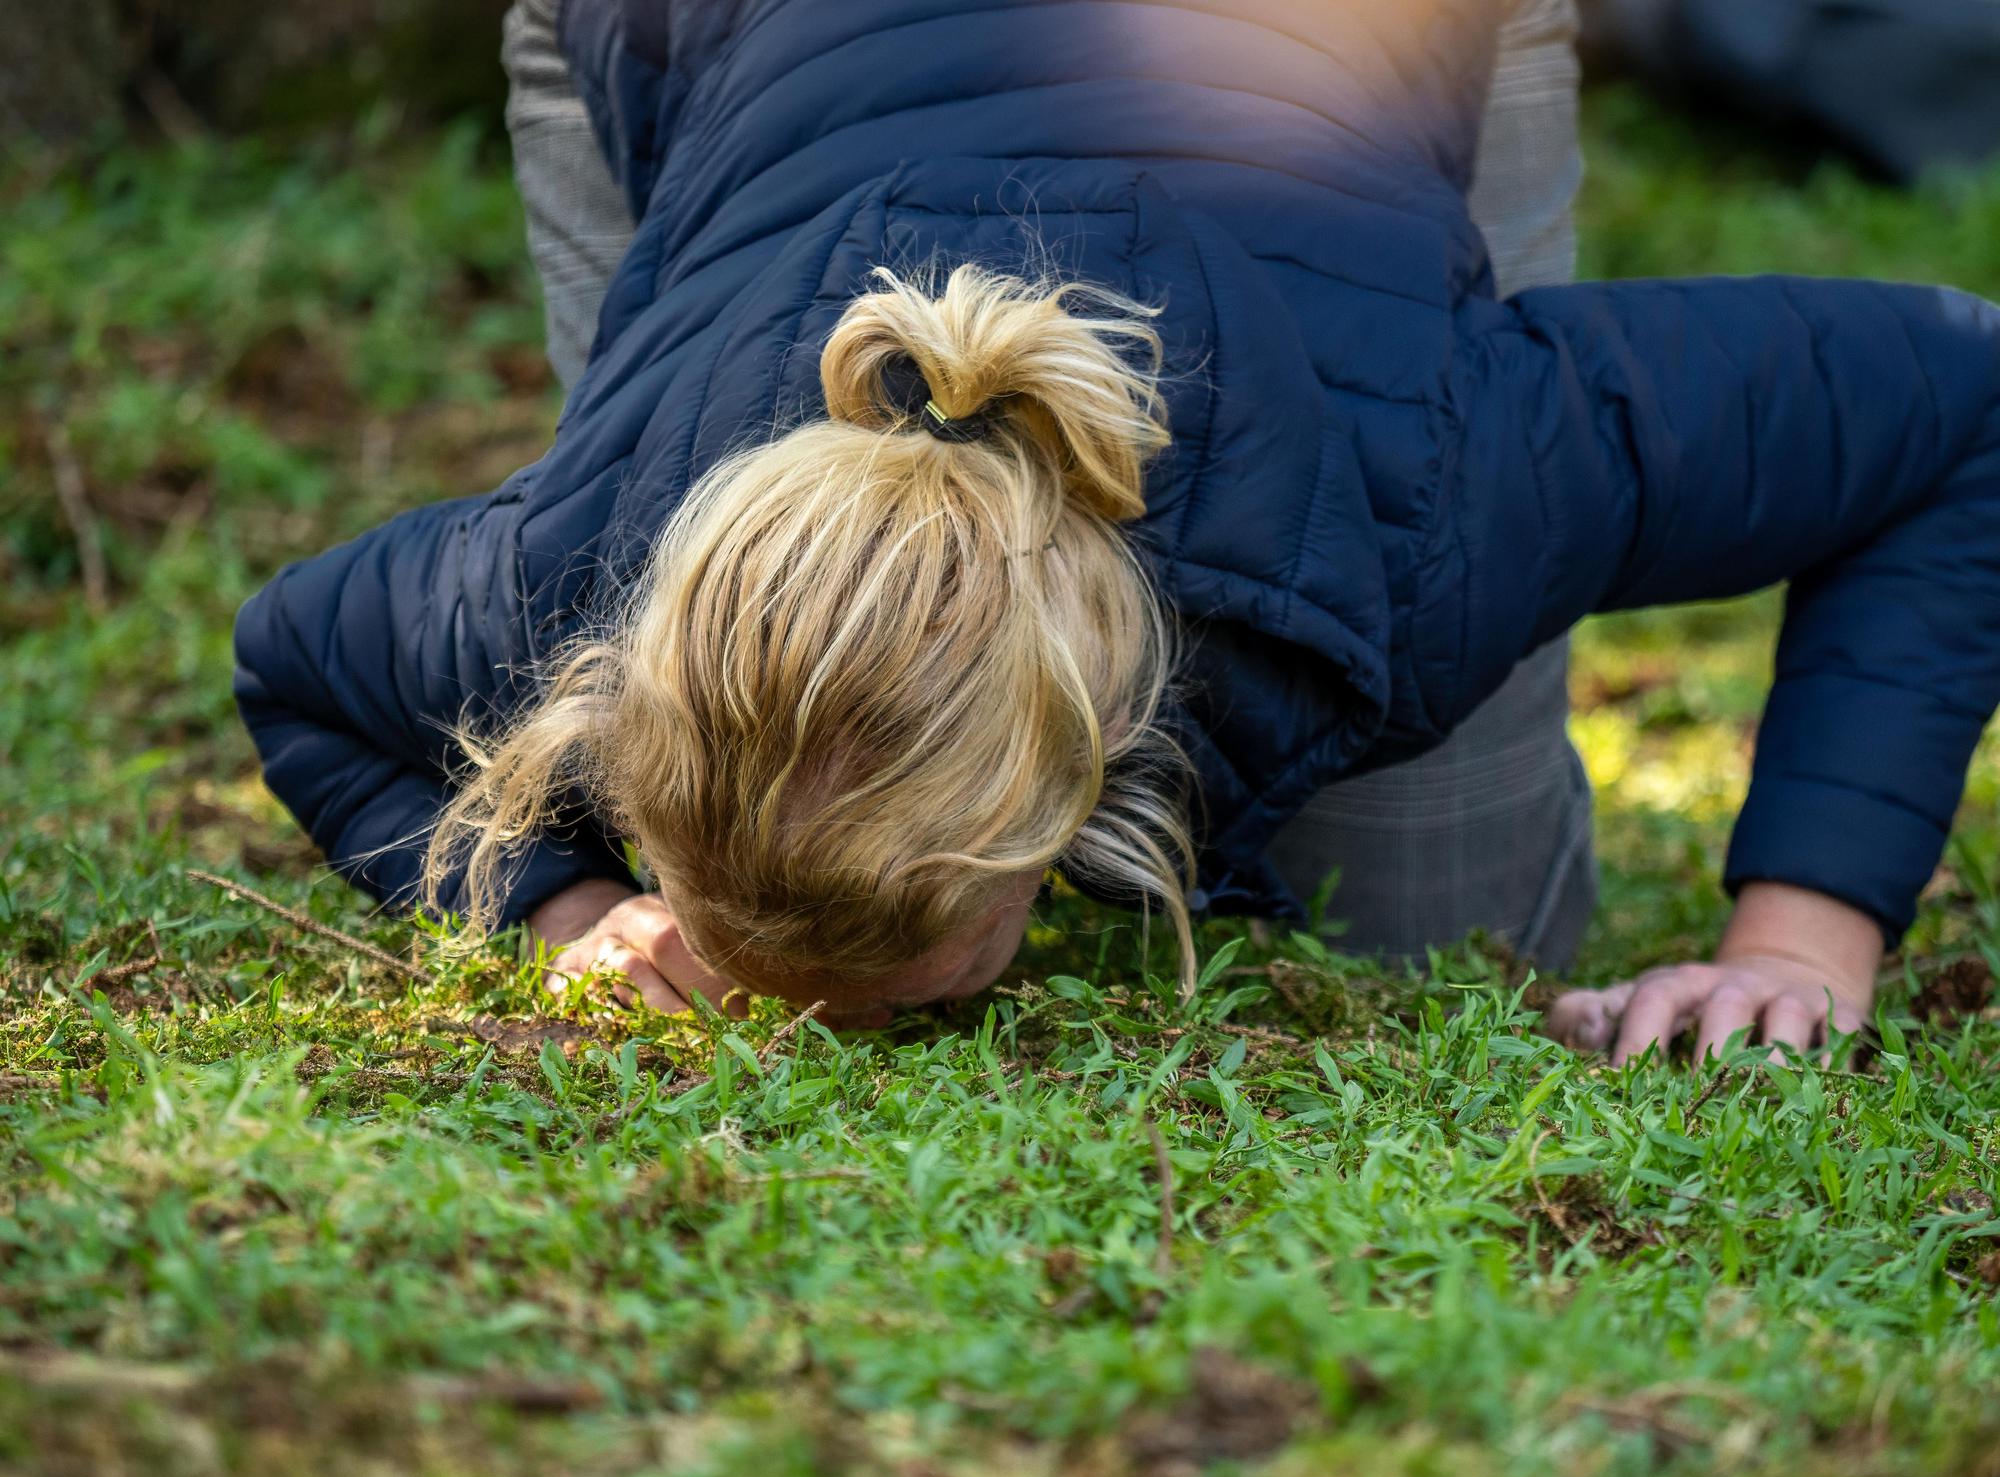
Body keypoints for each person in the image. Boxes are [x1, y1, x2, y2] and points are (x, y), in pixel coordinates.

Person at [234, 0, 2000, 1064]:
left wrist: (1800, 946)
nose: (838, 1050)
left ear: (1066, 786)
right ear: (630, 689)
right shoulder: (577, 575)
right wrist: (567, 899)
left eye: (912, 1002)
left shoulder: (1440, 491)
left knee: (1459, 951)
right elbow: (296, 662)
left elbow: (1955, 403)